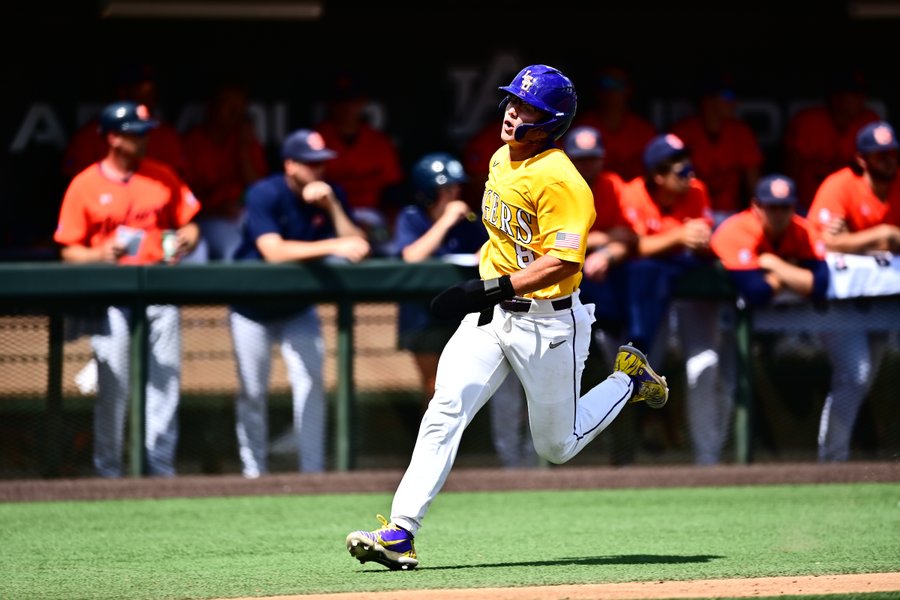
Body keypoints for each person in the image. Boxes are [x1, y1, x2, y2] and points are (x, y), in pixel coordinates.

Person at [345, 64, 669, 570]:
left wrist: (489, 287)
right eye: (513, 101)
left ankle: (627, 378)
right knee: (445, 409)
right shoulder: (501, 157)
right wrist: (487, 286)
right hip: (492, 319)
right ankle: (401, 532)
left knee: (556, 446)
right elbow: (506, 237)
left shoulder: (563, 181)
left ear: (551, 121)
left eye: (528, 108)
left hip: (549, 322)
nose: (513, 112)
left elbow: (564, 261)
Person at [53, 100, 202, 477]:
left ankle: (161, 469)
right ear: (114, 137)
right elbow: (68, 251)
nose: (144, 138)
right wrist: (100, 253)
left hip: (159, 290)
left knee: (164, 384)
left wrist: (186, 239)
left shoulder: (162, 175)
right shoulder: (84, 184)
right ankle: (109, 473)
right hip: (111, 298)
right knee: (114, 388)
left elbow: (191, 224)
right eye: (137, 132)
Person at [228, 129, 370, 478]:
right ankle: (253, 472)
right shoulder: (266, 192)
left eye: (322, 162)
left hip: (298, 309)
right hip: (251, 308)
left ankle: (313, 473)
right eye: (310, 163)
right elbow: (272, 251)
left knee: (311, 386)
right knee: (252, 392)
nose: (318, 170)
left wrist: (333, 207)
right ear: (290, 165)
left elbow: (359, 245)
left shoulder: (330, 194)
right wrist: (331, 247)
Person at [394, 151, 536, 468]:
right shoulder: (412, 217)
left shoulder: (469, 221)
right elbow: (411, 256)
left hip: (469, 312)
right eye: (447, 189)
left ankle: (507, 460)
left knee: (484, 385)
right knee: (434, 388)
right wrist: (445, 220)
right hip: (423, 314)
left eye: (456, 188)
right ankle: (430, 458)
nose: (454, 195)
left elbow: (487, 253)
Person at [618, 133, 728, 464]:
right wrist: (678, 236)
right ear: (658, 176)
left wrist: (693, 241)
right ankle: (630, 460)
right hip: (646, 299)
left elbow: (705, 241)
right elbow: (633, 247)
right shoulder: (632, 193)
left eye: (689, 167)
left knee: (705, 366)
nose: (690, 176)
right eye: (681, 171)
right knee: (639, 370)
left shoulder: (696, 191)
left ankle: (707, 460)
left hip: (690, 291)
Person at [710, 174, 829, 461]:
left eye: (785, 207)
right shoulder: (736, 229)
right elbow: (755, 292)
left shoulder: (802, 230)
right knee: (718, 381)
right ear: (756, 206)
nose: (779, 214)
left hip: (780, 323)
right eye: (772, 207)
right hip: (719, 318)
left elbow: (821, 286)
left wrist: (773, 265)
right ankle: (708, 462)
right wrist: (792, 276)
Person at [805, 120, 900, 462]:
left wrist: (859, 241)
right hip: (840, 301)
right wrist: (882, 235)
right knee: (855, 374)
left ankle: (834, 457)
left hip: (883, 298)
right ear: (862, 158)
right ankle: (831, 461)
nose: (889, 160)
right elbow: (823, 244)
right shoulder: (840, 185)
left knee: (863, 377)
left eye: (892, 153)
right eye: (880, 154)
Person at [562, 124, 638, 465]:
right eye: (580, 158)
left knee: (612, 373)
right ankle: (534, 471)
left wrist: (603, 249)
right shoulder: (557, 183)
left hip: (603, 304)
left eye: (592, 158)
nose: (586, 165)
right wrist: (597, 241)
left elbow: (628, 233)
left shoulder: (613, 186)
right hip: (556, 302)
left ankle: (622, 459)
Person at [315, 72, 405, 255]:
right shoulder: (317, 139)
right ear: (331, 104)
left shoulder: (379, 142)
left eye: (353, 101)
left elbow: (393, 192)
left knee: (391, 247)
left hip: (373, 215)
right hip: (330, 215)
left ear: (363, 103)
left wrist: (390, 226)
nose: (347, 108)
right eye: (341, 101)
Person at [182, 77, 269, 262]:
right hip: (207, 219)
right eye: (228, 104)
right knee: (235, 249)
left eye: (240, 105)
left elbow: (259, 187)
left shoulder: (245, 140)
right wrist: (216, 211)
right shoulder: (192, 143)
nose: (234, 111)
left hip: (242, 214)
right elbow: (181, 205)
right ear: (211, 106)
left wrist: (244, 150)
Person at [61, 62, 187, 181]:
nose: (144, 140)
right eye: (142, 86)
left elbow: (180, 182)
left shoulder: (164, 134)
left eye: (152, 86)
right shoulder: (89, 137)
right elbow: (73, 183)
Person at [782, 67, 880, 214]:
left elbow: (882, 170)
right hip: (807, 207)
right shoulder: (808, 122)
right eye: (855, 94)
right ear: (836, 98)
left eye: (862, 94)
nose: (862, 99)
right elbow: (790, 172)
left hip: (856, 209)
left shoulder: (869, 122)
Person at [672, 72, 764, 226]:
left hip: (731, 216)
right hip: (691, 216)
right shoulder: (683, 132)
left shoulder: (741, 133)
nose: (734, 102)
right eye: (728, 96)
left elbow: (754, 188)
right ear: (708, 100)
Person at [570, 65, 656, 182]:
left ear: (629, 89)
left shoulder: (644, 130)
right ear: (597, 90)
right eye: (606, 83)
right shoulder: (580, 128)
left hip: (634, 196)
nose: (611, 89)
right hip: (593, 193)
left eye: (618, 83)